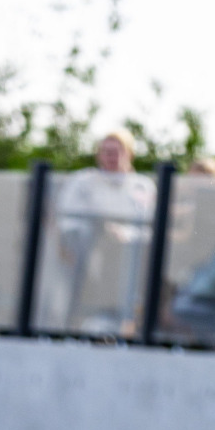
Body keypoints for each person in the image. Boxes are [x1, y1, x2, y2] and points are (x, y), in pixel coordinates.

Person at [41, 129, 156, 335]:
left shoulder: (143, 186)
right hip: (84, 261)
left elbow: (150, 226)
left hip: (128, 265)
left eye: (117, 151)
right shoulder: (82, 181)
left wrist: (125, 236)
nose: (111, 156)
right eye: (106, 151)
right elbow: (65, 221)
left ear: (130, 153)